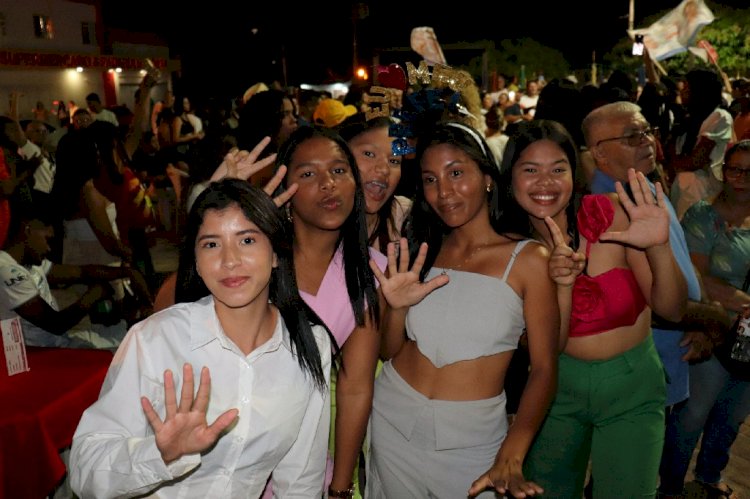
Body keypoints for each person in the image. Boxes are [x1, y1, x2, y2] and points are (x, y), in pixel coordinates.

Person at [70, 179, 332, 497]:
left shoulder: (310, 345)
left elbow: (301, 478)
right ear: (195, 260)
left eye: (247, 240)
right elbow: (85, 472)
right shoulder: (155, 340)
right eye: (211, 244)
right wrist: (161, 453)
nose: (229, 260)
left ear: (276, 253)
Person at [366, 121, 559, 498]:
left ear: (487, 177)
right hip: (392, 419)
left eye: (456, 173)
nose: (445, 192)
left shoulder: (528, 259)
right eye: (430, 179)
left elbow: (546, 368)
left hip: (474, 440)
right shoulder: (417, 250)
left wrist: (513, 453)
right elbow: (388, 351)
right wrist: (397, 309)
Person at [515, 116, 688, 496]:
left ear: (573, 173)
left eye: (557, 169)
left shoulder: (610, 213)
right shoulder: (511, 249)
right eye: (530, 170)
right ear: (509, 177)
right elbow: (534, 345)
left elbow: (672, 310)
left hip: (633, 385)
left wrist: (658, 246)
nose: (545, 183)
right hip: (554, 388)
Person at [266, 125, 384, 499]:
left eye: (338, 170)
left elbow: (354, 386)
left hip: (307, 464)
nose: (328, 184)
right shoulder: (255, 260)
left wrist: (340, 488)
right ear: (286, 190)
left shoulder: (370, 270)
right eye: (308, 174)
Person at [658, 140, 750, 499]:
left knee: (733, 414)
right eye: (734, 168)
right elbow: (694, 276)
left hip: (747, 336)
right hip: (711, 329)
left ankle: (710, 473)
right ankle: (669, 485)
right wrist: (740, 300)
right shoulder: (702, 215)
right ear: (722, 171)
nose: (741, 177)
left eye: (748, 170)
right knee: (692, 415)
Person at [0, 206, 150, 349]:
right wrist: (92, 297)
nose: (48, 248)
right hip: (39, 354)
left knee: (132, 334)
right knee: (129, 350)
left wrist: (126, 272)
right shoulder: (5, 271)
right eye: (47, 239)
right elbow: (55, 324)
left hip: (58, 342)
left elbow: (81, 272)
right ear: (28, 230)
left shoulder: (28, 263)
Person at [337, 114, 411, 251]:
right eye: (369, 154)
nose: (384, 169)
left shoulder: (406, 218)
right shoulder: (307, 217)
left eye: (394, 161)